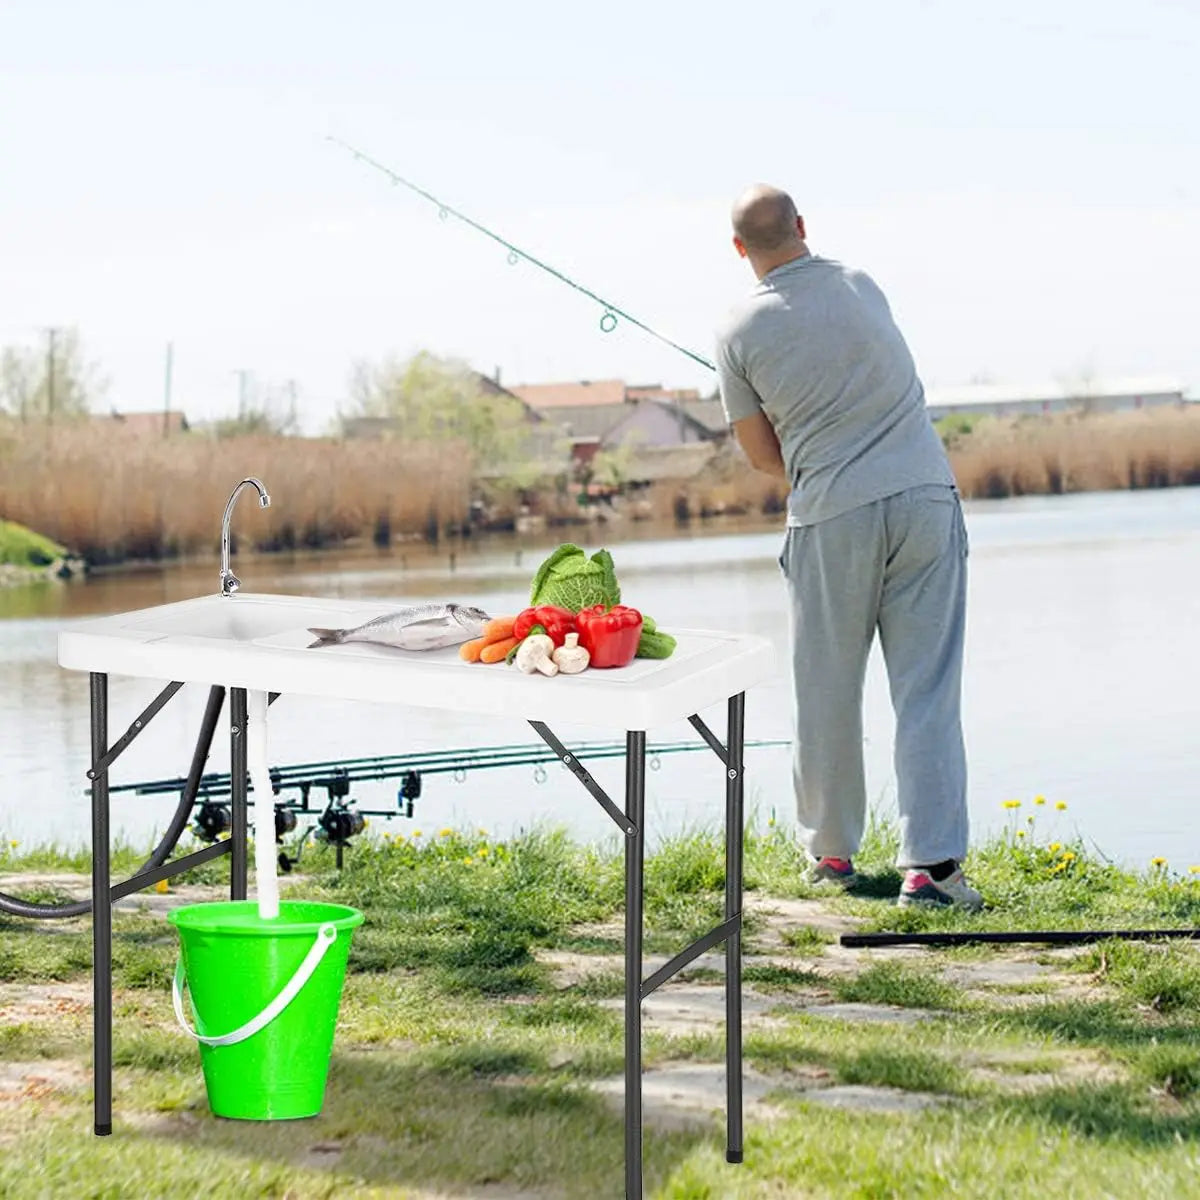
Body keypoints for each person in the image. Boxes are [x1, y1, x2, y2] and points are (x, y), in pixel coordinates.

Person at [714, 183, 981, 910]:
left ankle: (832, 855)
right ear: (802, 226)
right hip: (924, 498)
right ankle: (930, 871)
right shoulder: (863, 285)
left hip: (831, 516)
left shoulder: (737, 332)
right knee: (926, 689)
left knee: (826, 689)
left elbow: (766, 458)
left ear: (740, 250)